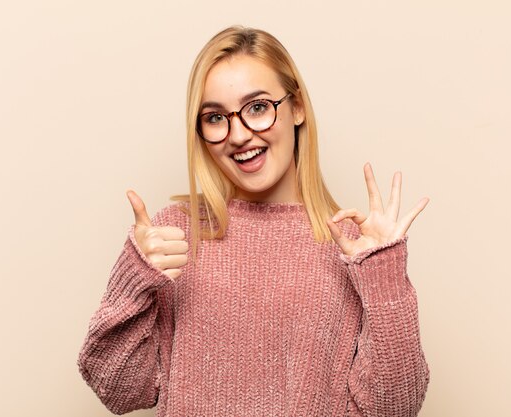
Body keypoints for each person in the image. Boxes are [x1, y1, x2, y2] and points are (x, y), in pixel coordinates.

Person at [77, 26, 430, 417]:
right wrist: (132, 279)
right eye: (215, 117)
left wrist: (384, 281)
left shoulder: (352, 247)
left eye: (258, 107)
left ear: (296, 107)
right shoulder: (175, 235)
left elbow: (394, 410)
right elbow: (120, 391)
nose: (239, 135)